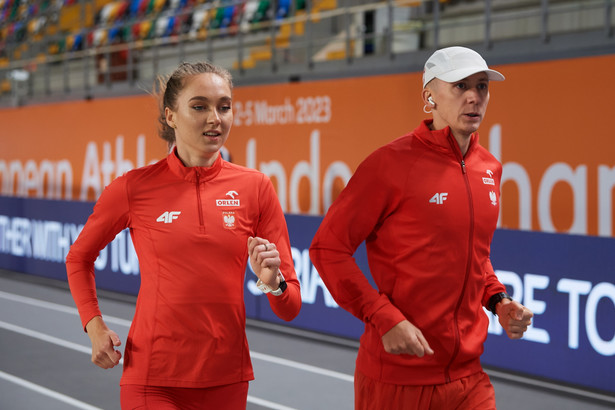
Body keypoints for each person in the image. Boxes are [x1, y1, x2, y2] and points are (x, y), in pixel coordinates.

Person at [66, 61, 301, 409]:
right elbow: (79, 257)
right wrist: (94, 326)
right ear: (171, 115)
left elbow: (290, 306)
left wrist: (273, 282)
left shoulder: (256, 188)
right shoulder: (132, 188)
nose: (215, 118)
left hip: (226, 378)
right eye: (199, 106)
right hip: (153, 377)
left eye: (224, 106)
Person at [309, 46, 533, 409]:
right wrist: (383, 317)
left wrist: (498, 300)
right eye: (461, 86)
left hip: (468, 378)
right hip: (398, 380)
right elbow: (327, 249)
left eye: (482, 86)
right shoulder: (388, 164)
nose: (475, 96)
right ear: (429, 95)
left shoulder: (489, 168)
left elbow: (474, 256)